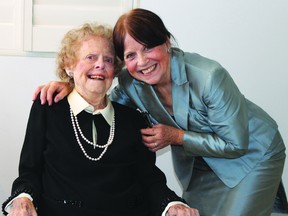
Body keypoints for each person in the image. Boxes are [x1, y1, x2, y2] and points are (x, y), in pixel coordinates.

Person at [32, 8, 287, 216]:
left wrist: (176, 137)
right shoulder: (131, 82)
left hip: (252, 152)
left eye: (148, 48)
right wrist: (69, 85)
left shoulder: (209, 77)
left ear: (166, 42)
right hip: (201, 163)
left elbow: (235, 144)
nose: (142, 62)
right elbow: (100, 98)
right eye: (130, 55)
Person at [2, 23, 200, 216]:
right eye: (90, 57)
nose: (100, 65)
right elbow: (30, 171)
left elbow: (149, 180)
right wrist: (23, 200)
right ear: (69, 66)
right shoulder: (48, 109)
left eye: (108, 60)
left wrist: (173, 205)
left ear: (115, 71)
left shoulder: (132, 119)